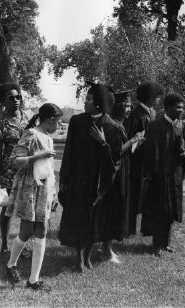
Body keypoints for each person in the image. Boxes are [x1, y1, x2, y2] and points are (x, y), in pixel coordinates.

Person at [58, 83, 123, 273]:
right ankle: (79, 259)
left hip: (99, 184)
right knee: (79, 219)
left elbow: (116, 160)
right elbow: (68, 151)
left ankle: (88, 257)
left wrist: (103, 143)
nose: (84, 102)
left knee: (94, 220)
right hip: (79, 180)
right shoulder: (77, 121)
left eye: (88, 99)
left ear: (99, 103)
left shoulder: (112, 127)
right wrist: (64, 178)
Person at [5, 103, 62, 291]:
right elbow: (14, 161)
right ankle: (11, 264)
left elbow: (50, 171)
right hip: (29, 188)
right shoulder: (31, 134)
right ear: (51, 119)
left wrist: (53, 194)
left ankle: (33, 280)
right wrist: (38, 156)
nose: (59, 127)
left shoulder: (48, 137)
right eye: (59, 122)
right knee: (27, 230)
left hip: (44, 189)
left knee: (42, 230)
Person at [93, 90, 144, 263]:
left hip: (121, 170)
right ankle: (106, 250)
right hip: (115, 173)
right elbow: (115, 153)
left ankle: (107, 248)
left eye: (130, 105)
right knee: (112, 210)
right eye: (127, 105)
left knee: (115, 210)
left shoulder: (117, 124)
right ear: (118, 106)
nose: (129, 109)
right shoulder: (113, 126)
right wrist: (133, 140)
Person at [141, 94, 185, 256]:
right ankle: (157, 244)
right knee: (160, 209)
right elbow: (150, 152)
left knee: (171, 209)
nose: (181, 110)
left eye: (182, 107)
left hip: (175, 174)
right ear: (168, 107)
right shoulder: (156, 125)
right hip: (160, 175)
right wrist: (152, 173)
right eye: (178, 107)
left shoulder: (182, 126)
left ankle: (167, 242)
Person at [0, 83, 30, 257]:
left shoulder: (29, 120)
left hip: (27, 170)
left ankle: (21, 246)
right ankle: (5, 245)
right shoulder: (0, 126)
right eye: (11, 98)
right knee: (7, 210)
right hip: (8, 172)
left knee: (25, 209)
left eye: (18, 97)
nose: (16, 100)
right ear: (2, 102)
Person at [124, 81, 164, 236]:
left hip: (148, 160)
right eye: (157, 96)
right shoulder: (136, 115)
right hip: (136, 161)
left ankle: (141, 229)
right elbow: (128, 138)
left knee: (144, 196)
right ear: (149, 96)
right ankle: (129, 229)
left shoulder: (151, 113)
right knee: (134, 194)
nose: (159, 99)